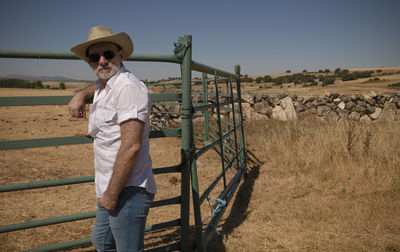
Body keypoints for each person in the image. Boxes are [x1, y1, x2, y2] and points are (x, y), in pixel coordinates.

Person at [68, 26, 156, 252]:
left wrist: (111, 195)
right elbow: (98, 85)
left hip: (127, 188)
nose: (102, 61)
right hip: (112, 186)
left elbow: (131, 147)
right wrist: (80, 94)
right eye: (95, 57)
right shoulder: (105, 84)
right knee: (102, 242)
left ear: (121, 55)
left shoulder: (127, 88)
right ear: (89, 61)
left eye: (108, 54)